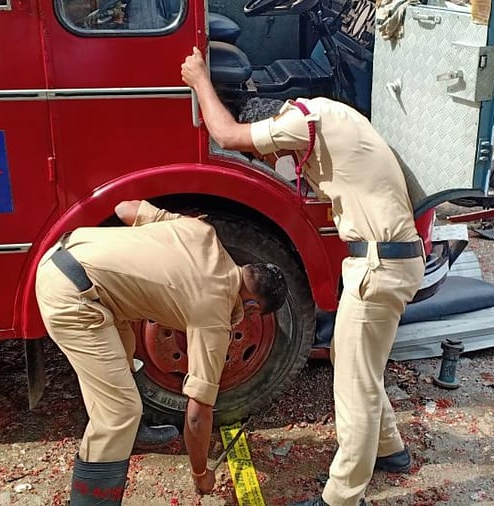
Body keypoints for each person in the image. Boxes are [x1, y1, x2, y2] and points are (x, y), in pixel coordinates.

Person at [181, 47, 425, 506]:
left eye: (266, 153)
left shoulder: (303, 121)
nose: (269, 161)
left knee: (353, 386)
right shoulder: (334, 117)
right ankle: (390, 449)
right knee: (352, 358)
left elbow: (228, 135)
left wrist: (198, 80)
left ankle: (341, 497)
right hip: (388, 260)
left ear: (275, 129)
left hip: (379, 265)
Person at [35, 199, 287, 505]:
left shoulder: (201, 231)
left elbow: (124, 209)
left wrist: (172, 227)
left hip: (63, 254)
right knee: (118, 413)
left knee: (124, 348)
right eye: (252, 314)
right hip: (73, 297)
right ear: (251, 306)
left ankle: (134, 434)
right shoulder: (215, 311)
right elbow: (197, 415)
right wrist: (200, 473)